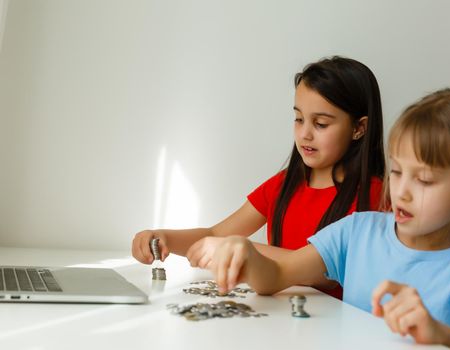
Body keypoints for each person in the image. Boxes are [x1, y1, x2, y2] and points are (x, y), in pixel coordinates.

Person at [202, 88, 450, 349]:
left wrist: (438, 333)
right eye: (397, 171)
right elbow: (278, 274)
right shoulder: (357, 230)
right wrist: (246, 253)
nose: (401, 192)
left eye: (425, 180)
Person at [132, 56, 385, 298]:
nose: (305, 133)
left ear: (359, 128)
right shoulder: (284, 184)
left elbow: (321, 271)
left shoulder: (374, 196)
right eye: (299, 119)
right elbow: (216, 233)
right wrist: (163, 237)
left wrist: (244, 251)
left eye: (320, 123)